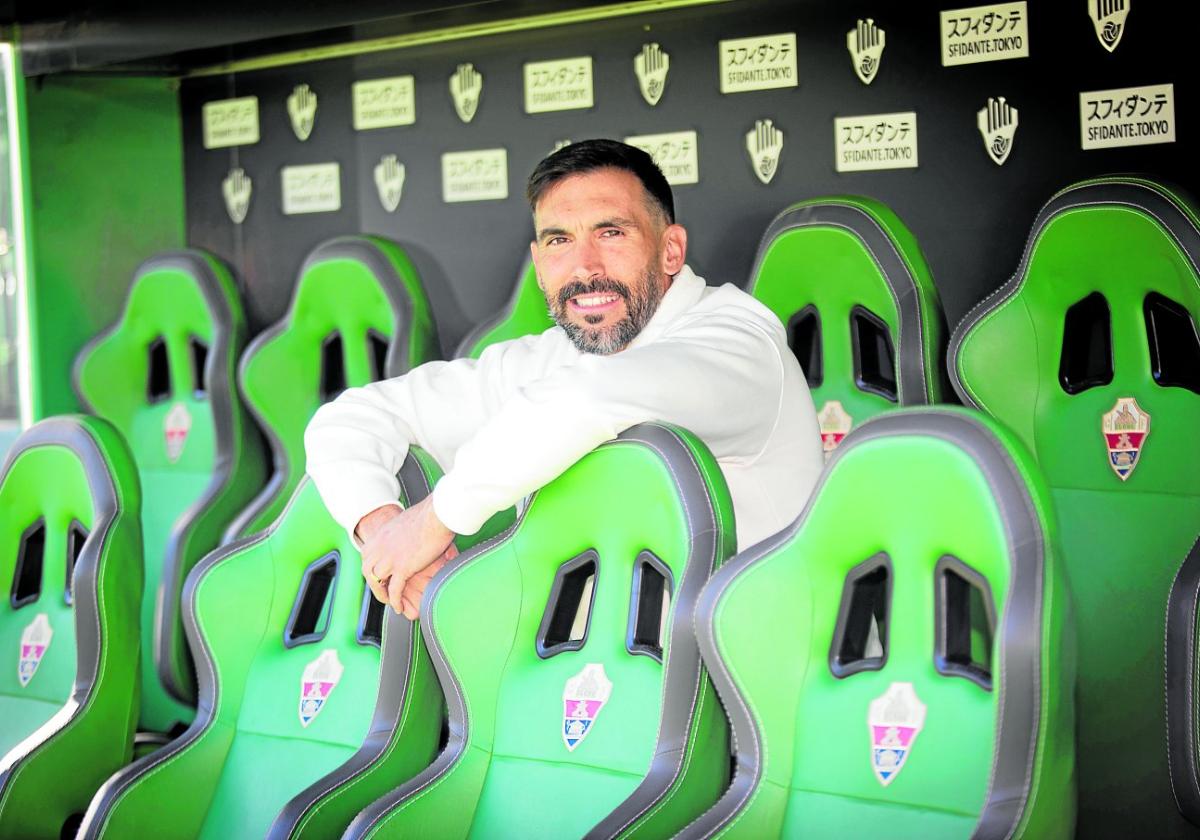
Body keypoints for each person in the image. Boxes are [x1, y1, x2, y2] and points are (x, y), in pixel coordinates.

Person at [304, 139, 823, 619]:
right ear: (538, 261)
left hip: (751, 686)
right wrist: (382, 531)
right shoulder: (549, 359)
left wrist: (435, 519)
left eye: (611, 232)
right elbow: (351, 419)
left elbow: (594, 397)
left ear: (670, 250)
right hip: (588, 687)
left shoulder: (740, 342)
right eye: (559, 240)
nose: (584, 266)